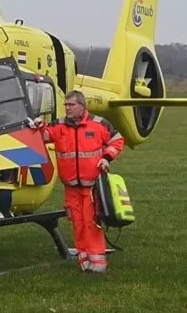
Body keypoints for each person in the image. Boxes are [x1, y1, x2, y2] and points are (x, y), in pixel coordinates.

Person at [31, 90, 124, 273]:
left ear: (82, 106)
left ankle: (98, 264)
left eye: (71, 105)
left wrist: (107, 158)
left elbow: (117, 140)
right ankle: (85, 262)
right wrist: (39, 126)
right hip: (71, 187)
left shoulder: (99, 124)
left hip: (91, 187)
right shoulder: (59, 126)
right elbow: (45, 136)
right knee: (77, 223)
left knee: (91, 223)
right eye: (66, 105)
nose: (67, 108)